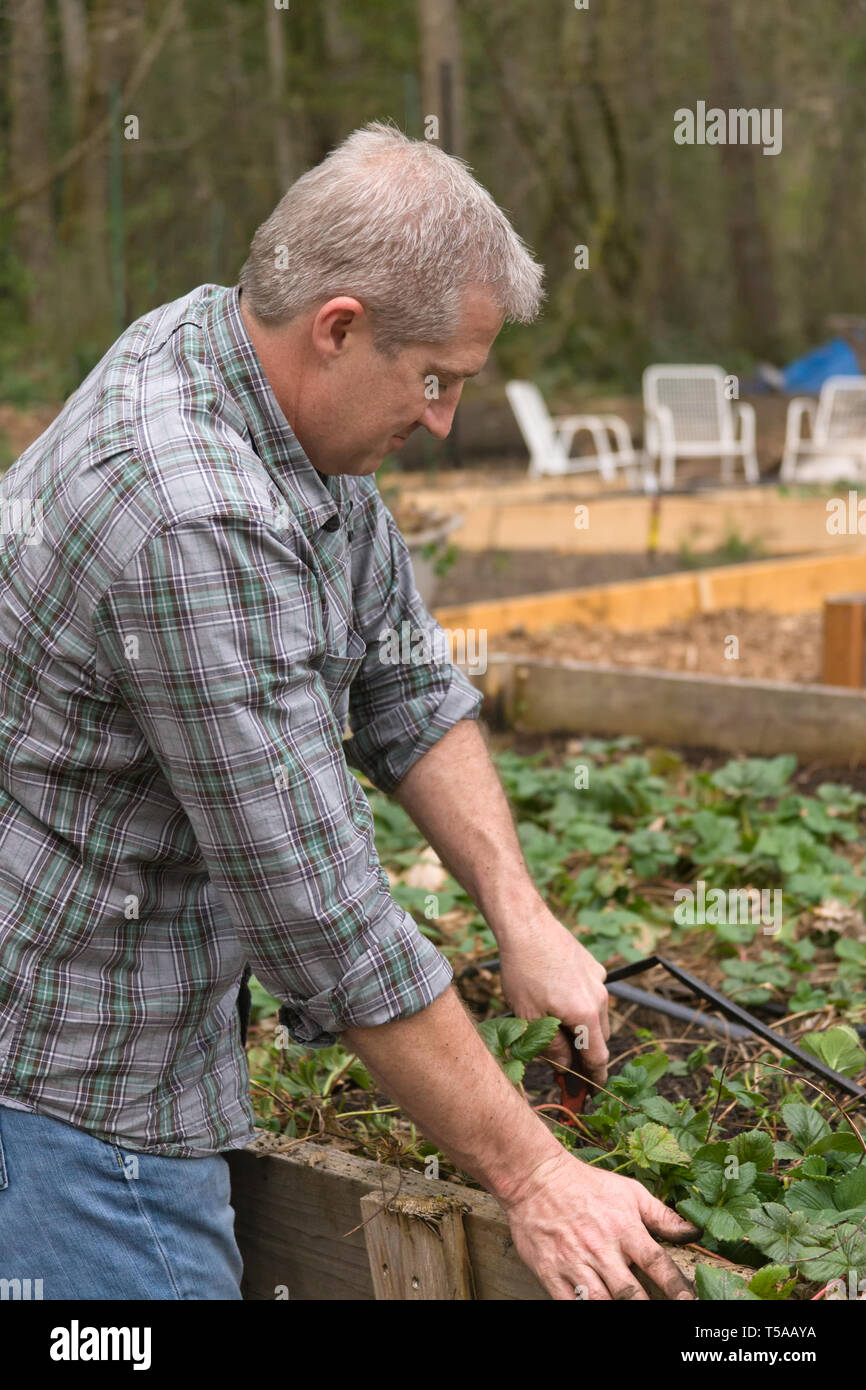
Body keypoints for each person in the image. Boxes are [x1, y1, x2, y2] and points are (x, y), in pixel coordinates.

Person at [0, 121, 696, 1301]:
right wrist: (534, 1177)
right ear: (337, 325)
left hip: (153, 1017)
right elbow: (318, 915)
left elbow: (401, 678)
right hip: (76, 1085)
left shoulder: (241, 366)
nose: (440, 419)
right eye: (437, 378)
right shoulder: (189, 515)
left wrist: (517, 911)